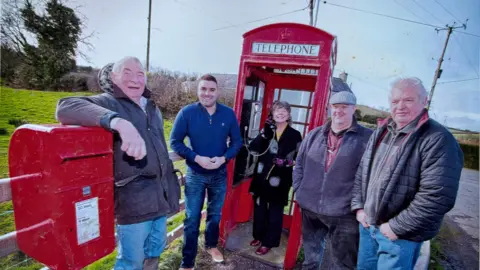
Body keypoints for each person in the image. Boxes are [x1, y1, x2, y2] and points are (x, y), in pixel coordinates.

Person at [55, 57, 181, 270]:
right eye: (127, 73)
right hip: (134, 203)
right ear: (114, 77)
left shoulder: (151, 108)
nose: (135, 79)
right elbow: (65, 106)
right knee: (130, 262)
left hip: (161, 199)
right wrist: (119, 122)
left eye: (140, 74)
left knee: (155, 253)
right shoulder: (108, 102)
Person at [351, 77, 464, 270]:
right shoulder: (383, 131)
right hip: (368, 226)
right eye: (395, 101)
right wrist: (359, 207)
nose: (400, 106)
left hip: (400, 236)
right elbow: (363, 172)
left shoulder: (438, 139)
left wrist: (396, 227)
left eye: (408, 100)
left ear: (424, 101)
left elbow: (437, 197)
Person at [293, 91, 373, 269]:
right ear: (330, 108)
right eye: (335, 107)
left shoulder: (367, 138)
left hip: (344, 212)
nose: (339, 111)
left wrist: (359, 205)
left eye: (344, 107)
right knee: (311, 257)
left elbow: (372, 175)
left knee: (342, 262)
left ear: (354, 109)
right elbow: (299, 164)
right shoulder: (314, 134)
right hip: (310, 208)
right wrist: (299, 190)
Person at [169, 74, 242, 270]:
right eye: (203, 89)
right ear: (198, 91)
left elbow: (237, 142)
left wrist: (224, 158)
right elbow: (174, 142)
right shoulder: (187, 113)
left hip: (219, 174)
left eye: (211, 89)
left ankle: (211, 245)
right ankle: (187, 263)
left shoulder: (228, 114)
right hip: (195, 174)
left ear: (217, 91)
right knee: (192, 219)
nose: (207, 93)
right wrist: (195, 157)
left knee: (215, 215)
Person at [247, 101, 303, 256]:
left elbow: (299, 159)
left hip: (280, 180)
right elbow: (253, 149)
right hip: (261, 177)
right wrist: (265, 133)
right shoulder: (267, 131)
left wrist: (286, 162)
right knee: (259, 210)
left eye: (284, 111)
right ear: (272, 114)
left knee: (274, 212)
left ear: (289, 114)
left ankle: (269, 242)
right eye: (277, 110)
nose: (281, 113)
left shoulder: (295, 134)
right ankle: (258, 236)